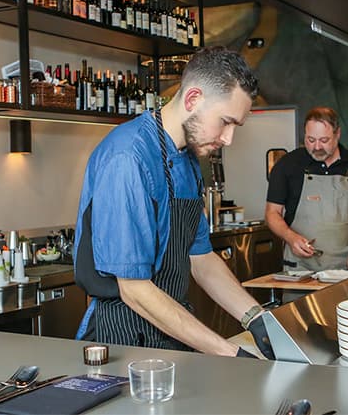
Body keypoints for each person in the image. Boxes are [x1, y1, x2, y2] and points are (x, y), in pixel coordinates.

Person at [73, 46, 273, 359]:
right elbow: (134, 290)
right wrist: (229, 352)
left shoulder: (190, 159)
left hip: (172, 332)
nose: (229, 139)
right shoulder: (128, 157)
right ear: (193, 99)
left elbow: (202, 259)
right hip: (123, 339)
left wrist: (258, 319)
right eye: (225, 122)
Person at [265, 106, 348, 272]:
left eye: (324, 140)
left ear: (337, 134)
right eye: (311, 140)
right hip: (300, 269)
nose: (317, 147)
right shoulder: (287, 165)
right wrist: (291, 238)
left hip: (346, 268)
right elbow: (271, 213)